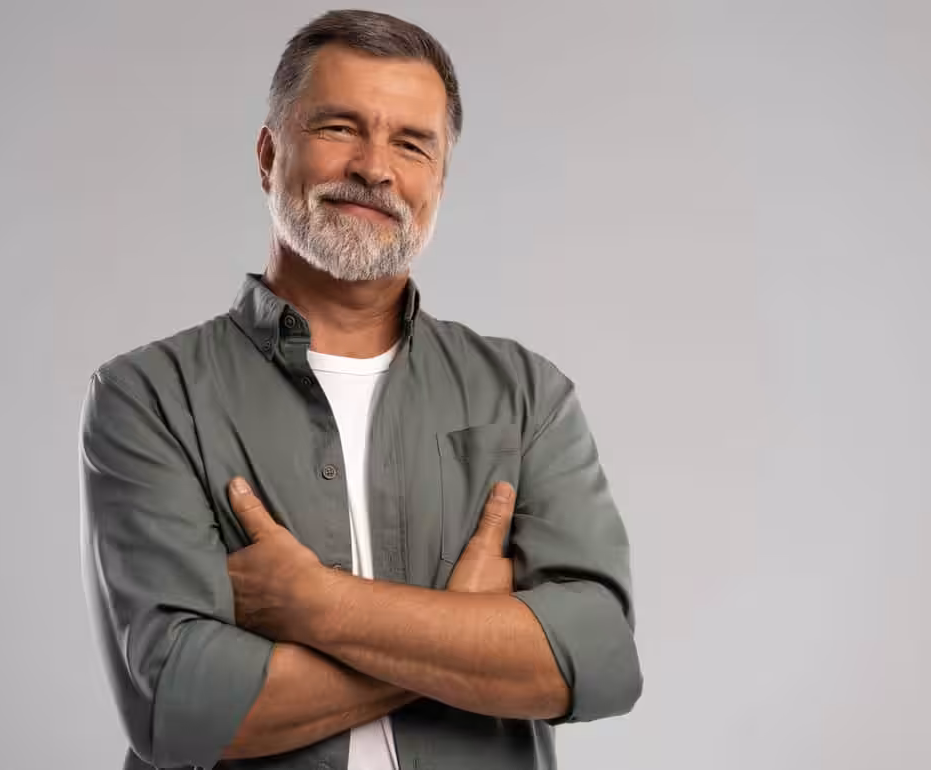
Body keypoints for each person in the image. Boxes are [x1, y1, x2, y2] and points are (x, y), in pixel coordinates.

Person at [78, 9, 642, 770]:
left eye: (412, 143)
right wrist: (469, 630)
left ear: (439, 179)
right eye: (341, 128)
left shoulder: (528, 396)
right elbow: (178, 707)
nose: (375, 168)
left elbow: (599, 659)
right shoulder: (149, 396)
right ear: (268, 153)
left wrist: (319, 606)